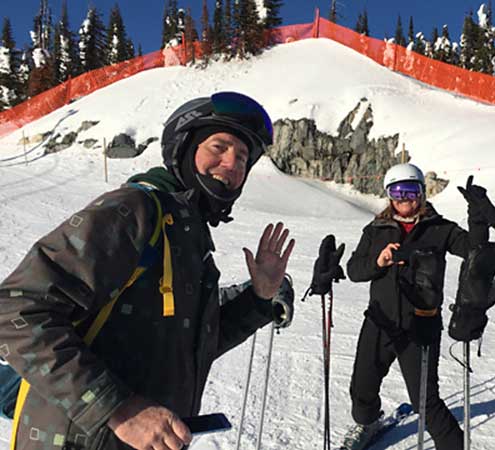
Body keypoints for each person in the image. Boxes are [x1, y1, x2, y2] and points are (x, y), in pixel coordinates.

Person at [0, 92, 295, 450]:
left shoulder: (189, 235)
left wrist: (258, 297)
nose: (232, 164)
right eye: (219, 146)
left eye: (243, 158)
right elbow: (16, 309)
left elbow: (188, 346)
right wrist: (119, 409)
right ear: (185, 148)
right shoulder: (134, 210)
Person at [342, 163, 483, 450]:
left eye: (411, 190)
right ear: (388, 194)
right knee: (361, 392)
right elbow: (354, 270)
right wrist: (377, 262)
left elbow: (474, 250)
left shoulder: (440, 229)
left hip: (421, 325)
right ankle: (368, 424)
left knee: (426, 403)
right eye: (397, 191)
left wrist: (478, 218)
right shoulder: (376, 229)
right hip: (379, 323)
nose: (404, 198)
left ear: (422, 193)